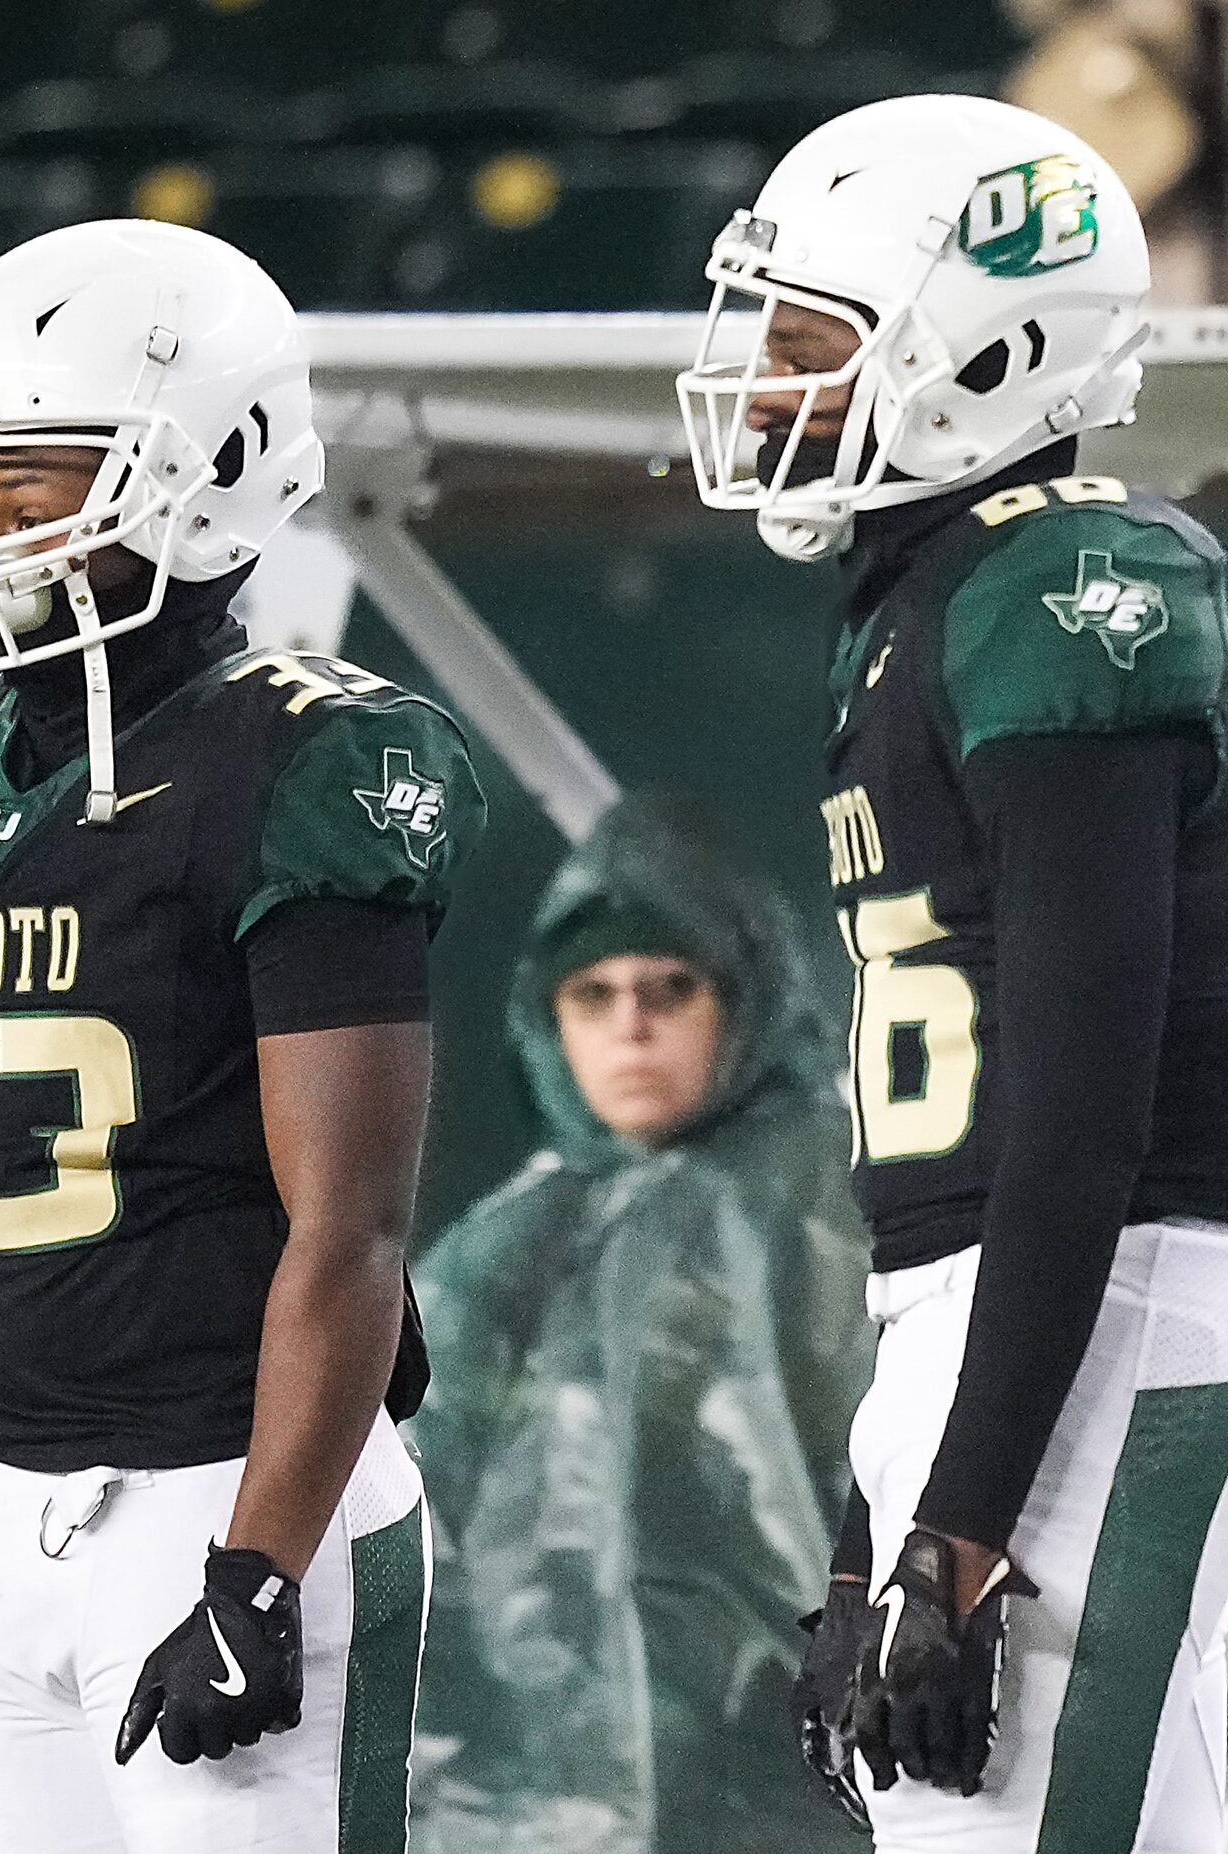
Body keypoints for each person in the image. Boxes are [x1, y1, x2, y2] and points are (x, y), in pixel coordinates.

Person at [676, 92, 1228, 1851]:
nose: (762, 387)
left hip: (1112, 1291)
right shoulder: (932, 592)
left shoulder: (1065, 581)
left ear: (982, 352)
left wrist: (955, 1525)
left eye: (813, 342)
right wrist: (867, 1517)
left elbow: (1075, 1111)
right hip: (1016, 1312)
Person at [0, 219, 486, 1853]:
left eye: (41, 471)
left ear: (219, 466)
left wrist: (257, 1566)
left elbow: (355, 1231)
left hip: (224, 1487)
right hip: (1, 1497)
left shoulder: (301, 759)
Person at [407, 793, 871, 1854]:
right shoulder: (494, 1253)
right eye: (594, 993)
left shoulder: (834, 1203)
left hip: (791, 1774)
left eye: (671, 988)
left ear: (743, 1001)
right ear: (546, 1019)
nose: (631, 1024)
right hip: (532, 1796)